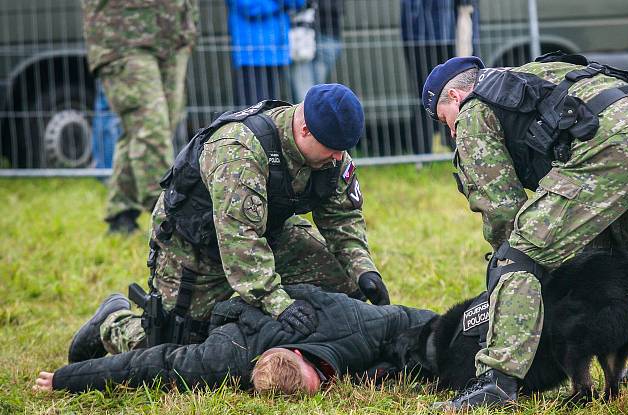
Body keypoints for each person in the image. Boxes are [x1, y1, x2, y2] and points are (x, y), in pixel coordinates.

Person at [421, 55, 628, 410]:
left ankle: (497, 382)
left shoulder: (473, 109)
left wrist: (520, 266)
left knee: (518, 256)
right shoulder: (527, 73)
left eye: (445, 121)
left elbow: (502, 209)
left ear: (455, 98)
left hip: (615, 143)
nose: (452, 132)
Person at [67, 83, 390, 363]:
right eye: (332, 150)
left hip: (269, 231)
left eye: (342, 151)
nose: (338, 158)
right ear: (304, 129)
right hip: (196, 246)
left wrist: (363, 270)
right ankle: (114, 321)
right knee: (176, 345)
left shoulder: (331, 151)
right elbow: (239, 238)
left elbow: (342, 216)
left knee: (344, 291)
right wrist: (278, 303)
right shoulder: (239, 151)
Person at [35, 285, 434, 394]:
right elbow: (148, 367)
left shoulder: (355, 323)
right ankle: (115, 319)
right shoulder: (227, 357)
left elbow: (420, 321)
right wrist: (64, 379)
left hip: (281, 273)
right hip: (222, 296)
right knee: (153, 343)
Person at [81, 0, 199, 234]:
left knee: (150, 128)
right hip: (122, 37)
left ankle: (121, 214)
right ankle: (172, 220)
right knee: (150, 128)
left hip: (174, 34)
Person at [400, 0, 478, 154]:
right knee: (424, 95)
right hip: (420, 33)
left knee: (454, 94)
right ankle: (423, 154)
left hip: (447, 31)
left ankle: (456, 147)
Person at [227, 0, 306, 105]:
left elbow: (298, 3)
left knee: (272, 107)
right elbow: (249, 7)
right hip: (251, 54)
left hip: (278, 52)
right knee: (253, 108)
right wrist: (280, 4)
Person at [291, 0, 345, 102]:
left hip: (312, 32)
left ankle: (307, 114)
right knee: (312, 91)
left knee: (307, 92)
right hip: (315, 32)